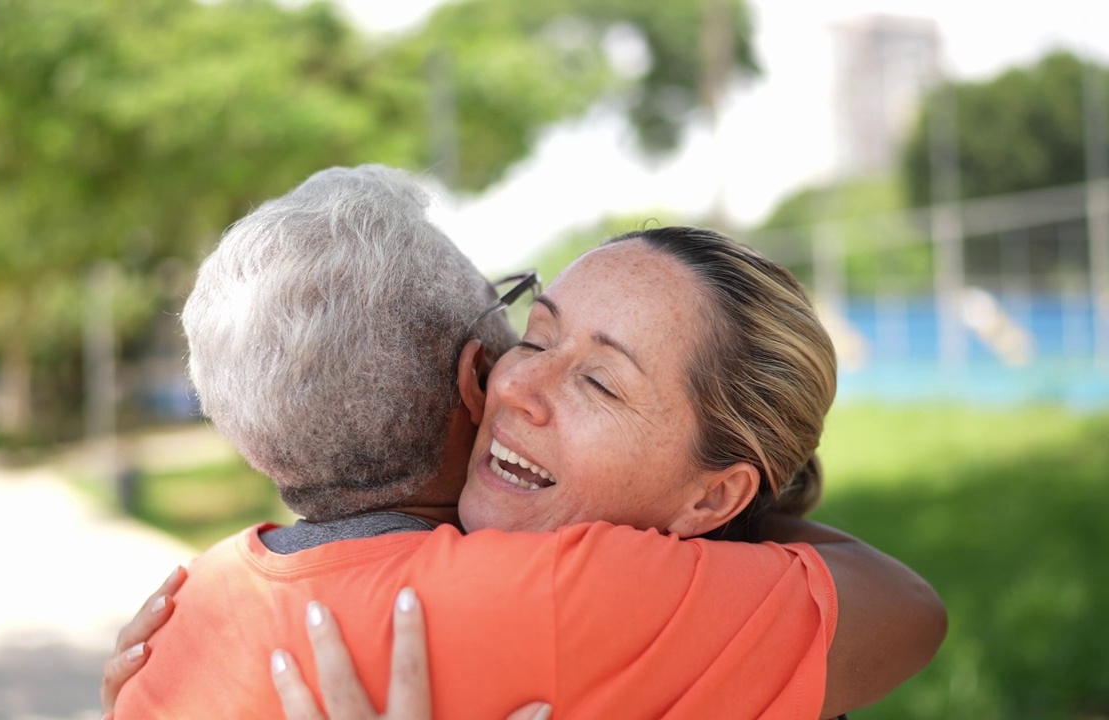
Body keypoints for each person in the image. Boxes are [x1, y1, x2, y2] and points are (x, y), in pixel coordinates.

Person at [109, 165, 945, 720]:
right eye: (535, 338)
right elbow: (909, 609)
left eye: (601, 382)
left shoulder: (195, 606)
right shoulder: (572, 600)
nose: (514, 384)